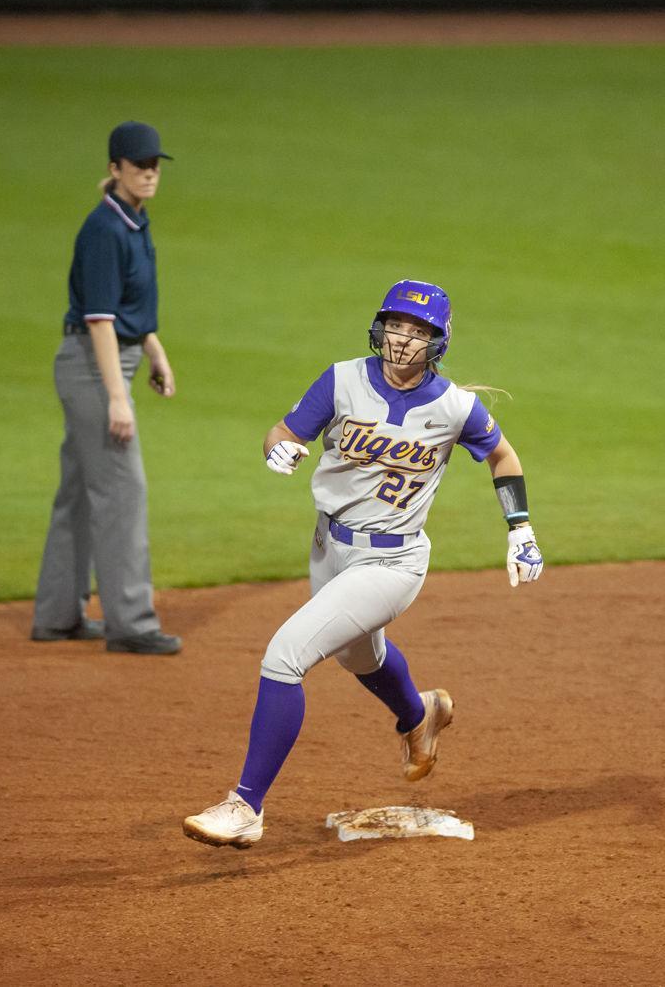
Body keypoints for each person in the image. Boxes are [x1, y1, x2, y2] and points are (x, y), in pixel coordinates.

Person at [183, 279, 543, 848]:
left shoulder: (456, 407)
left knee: (285, 656)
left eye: (418, 331)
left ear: (438, 342)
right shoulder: (342, 378)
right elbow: (284, 430)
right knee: (358, 655)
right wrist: (276, 447)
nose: (403, 339)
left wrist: (519, 527)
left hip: (394, 562)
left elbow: (501, 454)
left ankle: (245, 806)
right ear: (380, 328)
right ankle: (418, 716)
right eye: (396, 325)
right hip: (329, 547)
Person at [31, 122, 182, 655]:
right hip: (94, 366)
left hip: (108, 360)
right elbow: (98, 320)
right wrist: (118, 396)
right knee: (123, 491)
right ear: (114, 169)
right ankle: (132, 623)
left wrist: (154, 352)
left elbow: (129, 308)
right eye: (138, 164)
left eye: (154, 164)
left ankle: (56, 615)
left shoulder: (134, 222)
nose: (149, 172)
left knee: (78, 491)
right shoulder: (105, 229)